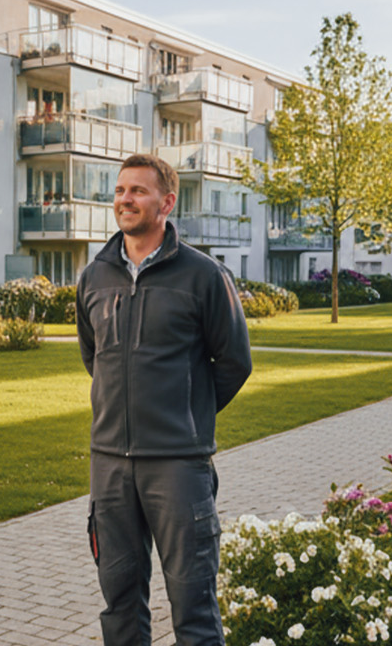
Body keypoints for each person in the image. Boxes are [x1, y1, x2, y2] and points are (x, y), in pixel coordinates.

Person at [76, 153, 252, 645]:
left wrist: (184, 411)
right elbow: (95, 358)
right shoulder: (94, 277)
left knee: (193, 609)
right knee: (119, 607)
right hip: (110, 466)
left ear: (167, 202)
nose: (125, 199)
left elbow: (234, 362)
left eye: (138, 191)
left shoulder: (203, 276)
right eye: (120, 190)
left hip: (178, 467)